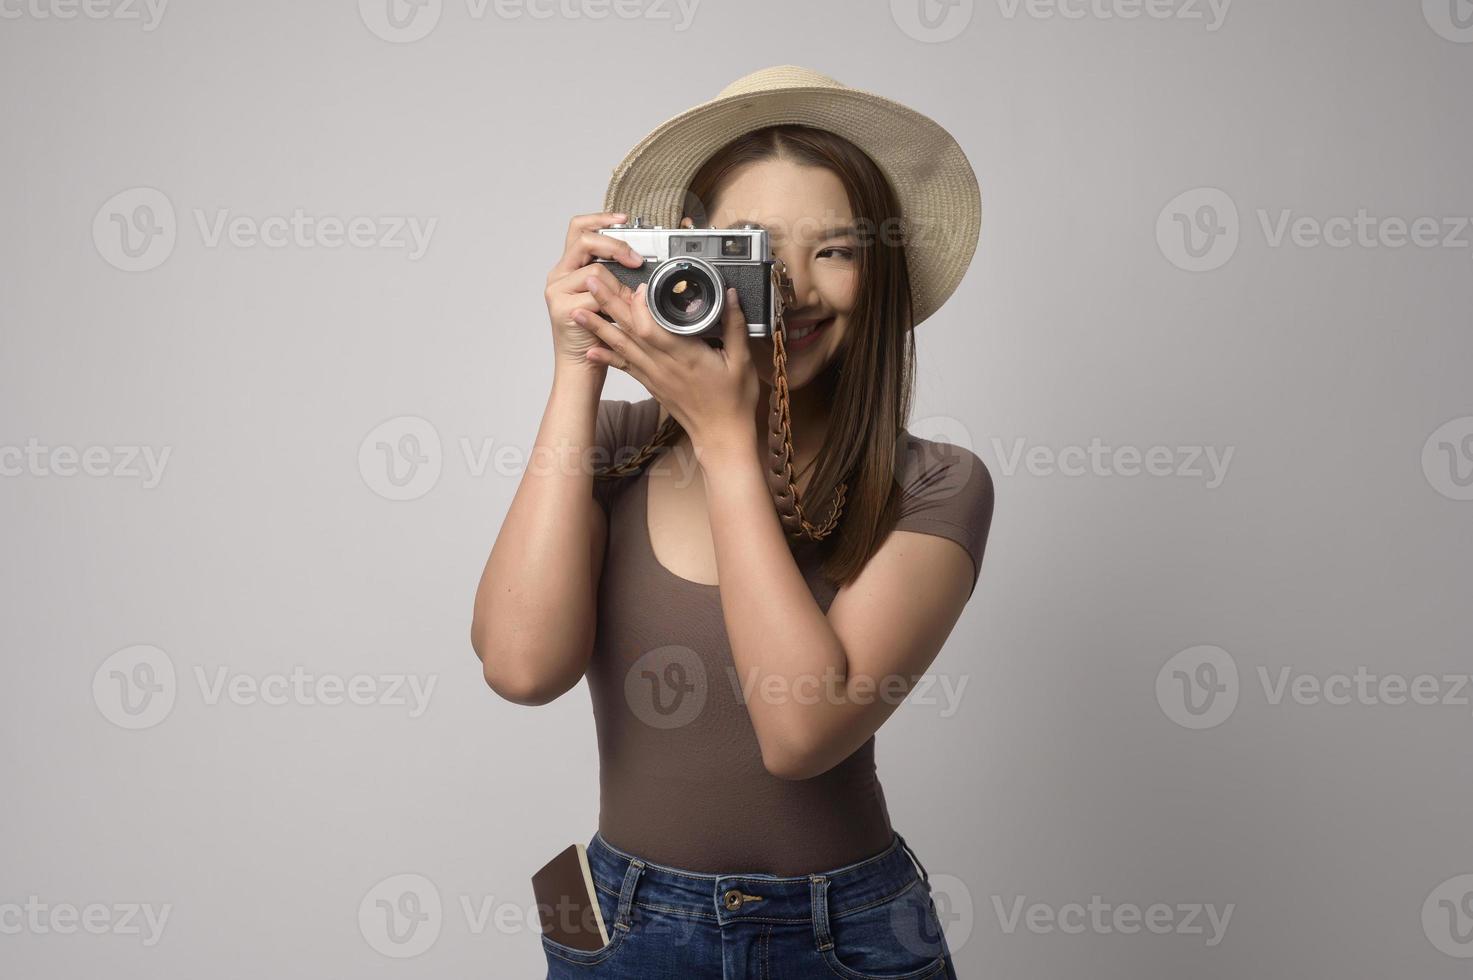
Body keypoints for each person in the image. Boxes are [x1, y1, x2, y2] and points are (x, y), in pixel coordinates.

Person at [472, 65, 993, 979]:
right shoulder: (613, 448)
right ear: (681, 265)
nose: (786, 290)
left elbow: (801, 733)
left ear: (879, 275)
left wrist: (726, 445)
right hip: (617, 915)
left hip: (844, 931)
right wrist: (576, 366)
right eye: (748, 250)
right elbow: (520, 667)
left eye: (832, 250)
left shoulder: (935, 483)